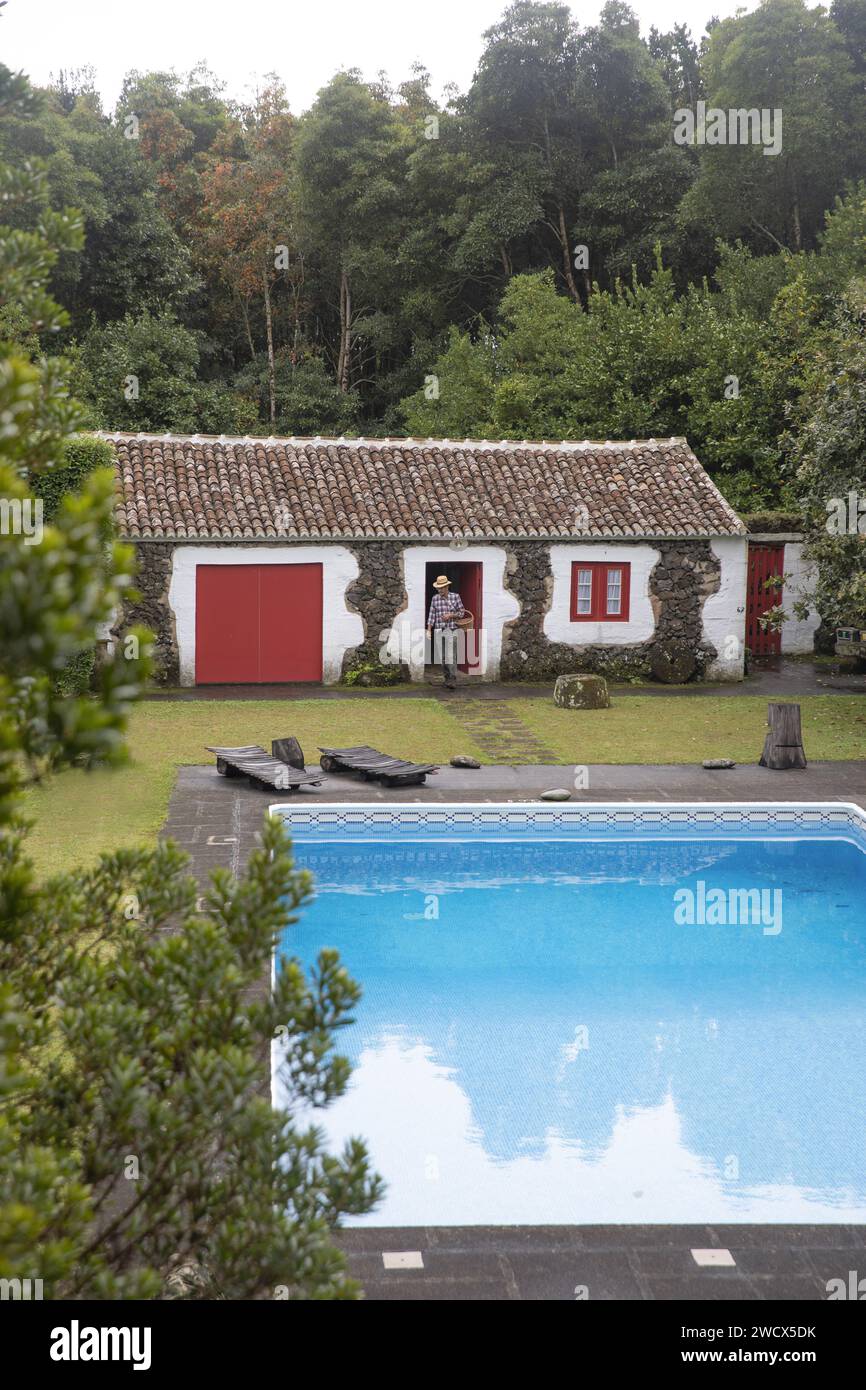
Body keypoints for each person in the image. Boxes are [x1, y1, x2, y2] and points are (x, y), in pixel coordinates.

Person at [426, 574, 465, 689]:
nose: (439, 589)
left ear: (447, 587)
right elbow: (431, 615)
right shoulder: (435, 598)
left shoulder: (455, 597)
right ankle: (447, 678)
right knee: (442, 657)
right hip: (439, 630)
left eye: (442, 587)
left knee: (451, 656)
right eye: (438, 587)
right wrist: (428, 630)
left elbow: (462, 612)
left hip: (452, 629)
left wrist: (451, 615)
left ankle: (453, 679)